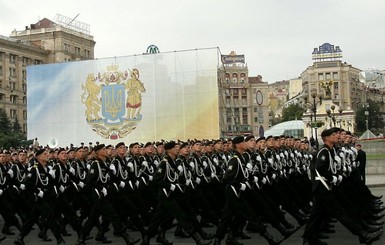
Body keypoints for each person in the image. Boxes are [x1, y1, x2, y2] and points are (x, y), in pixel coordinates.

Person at [302, 128, 382, 245]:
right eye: (333, 135)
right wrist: (332, 177)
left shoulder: (330, 150)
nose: (336, 137)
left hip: (325, 187)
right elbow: (319, 168)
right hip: (322, 187)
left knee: (316, 215)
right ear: (327, 138)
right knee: (340, 212)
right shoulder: (323, 151)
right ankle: (363, 235)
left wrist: (336, 175)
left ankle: (308, 239)